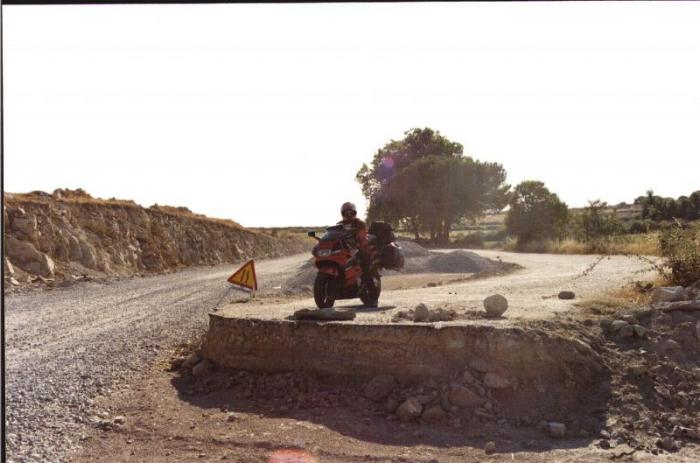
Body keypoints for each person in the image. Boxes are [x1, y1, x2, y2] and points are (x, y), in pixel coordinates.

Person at [338, 202, 372, 285]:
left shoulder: (360, 223)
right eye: (346, 212)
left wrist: (359, 243)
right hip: (345, 248)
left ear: (354, 213)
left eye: (350, 212)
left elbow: (362, 236)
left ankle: (369, 286)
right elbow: (335, 235)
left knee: (364, 263)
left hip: (359, 247)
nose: (349, 214)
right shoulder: (339, 225)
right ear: (343, 213)